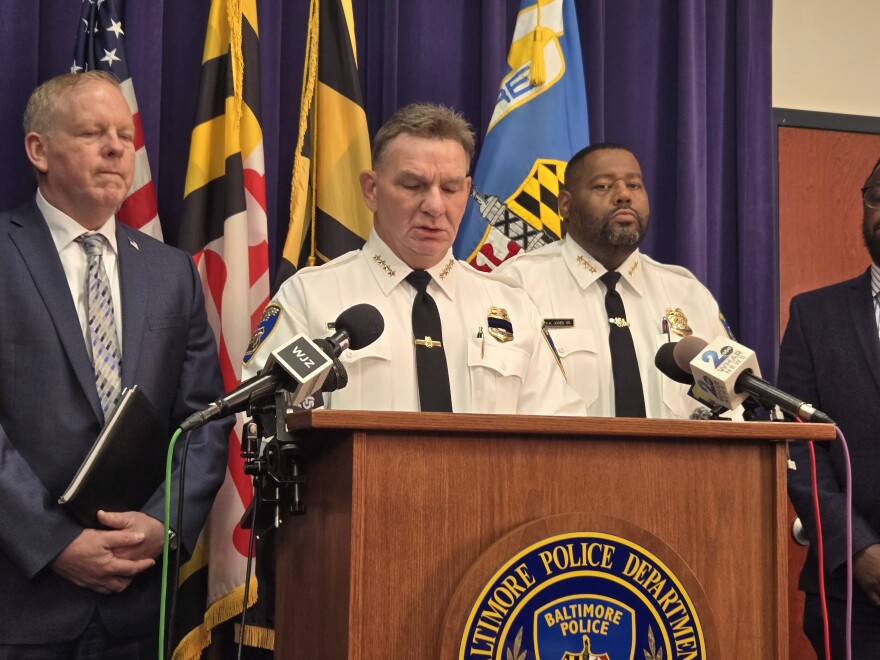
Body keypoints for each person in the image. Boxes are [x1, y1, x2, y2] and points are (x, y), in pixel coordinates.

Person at [0, 71, 230, 656]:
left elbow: (204, 418)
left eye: (124, 137)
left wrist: (161, 527)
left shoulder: (171, 272)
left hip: (140, 603)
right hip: (20, 600)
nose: (115, 149)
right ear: (38, 150)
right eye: (92, 133)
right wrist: (54, 543)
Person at [244, 103, 582, 415]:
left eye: (450, 189)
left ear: (467, 192)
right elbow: (265, 423)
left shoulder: (513, 305)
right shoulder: (309, 297)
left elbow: (557, 433)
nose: (434, 206)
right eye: (413, 185)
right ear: (371, 190)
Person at [494, 143, 732, 418]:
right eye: (603, 186)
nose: (623, 196)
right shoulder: (519, 286)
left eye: (633, 185)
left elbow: (732, 410)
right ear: (565, 205)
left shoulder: (688, 295)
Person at [778, 157, 880, 659]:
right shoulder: (814, 316)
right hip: (852, 589)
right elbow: (800, 447)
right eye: (878, 196)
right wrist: (856, 546)